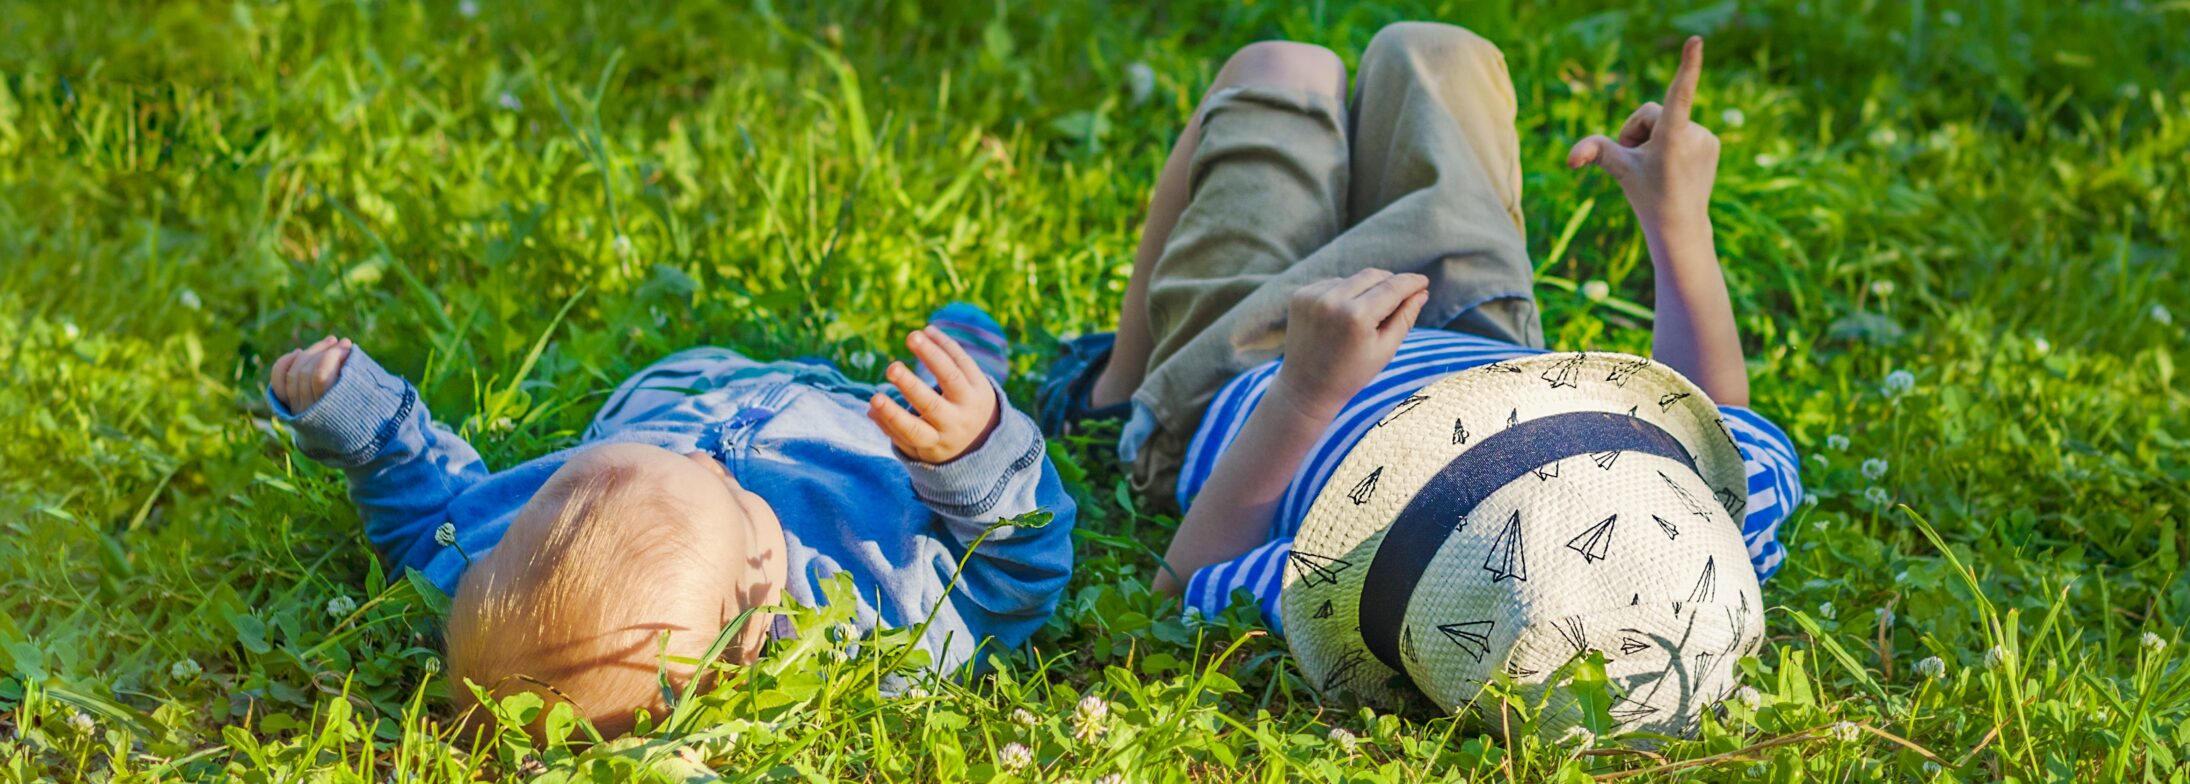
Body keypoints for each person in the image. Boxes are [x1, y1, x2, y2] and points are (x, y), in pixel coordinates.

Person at [1038, 24, 1801, 738]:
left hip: (1248, 369)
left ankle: (1113, 393)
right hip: (1476, 335)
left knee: (1278, 72)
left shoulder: (1382, 576)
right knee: (1440, 52)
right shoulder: (1696, 573)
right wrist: (1678, 223)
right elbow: (1720, 422)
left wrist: (1305, 392)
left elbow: (1184, 590)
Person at [267, 304, 1076, 738]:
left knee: (658, 407)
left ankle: (927, 382)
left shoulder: (494, 565)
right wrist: (972, 462)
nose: (706, 463)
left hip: (688, 397)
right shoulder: (876, 614)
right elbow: (1019, 576)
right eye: (727, 498)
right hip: (862, 440)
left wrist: (362, 419)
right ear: (747, 635)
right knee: (933, 410)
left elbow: (426, 519)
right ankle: (962, 393)